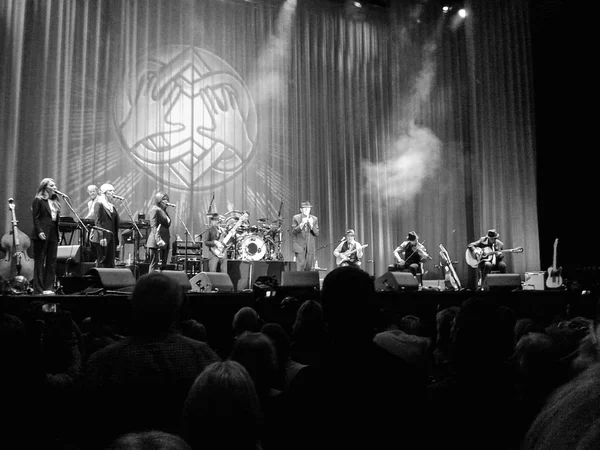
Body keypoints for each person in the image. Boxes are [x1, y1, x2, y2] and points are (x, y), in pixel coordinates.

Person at [31, 177, 61, 294]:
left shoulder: (55, 200)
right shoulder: (38, 200)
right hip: (41, 233)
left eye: (55, 185)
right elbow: (35, 218)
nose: (55, 187)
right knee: (40, 261)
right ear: (46, 187)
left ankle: (49, 288)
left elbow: (55, 219)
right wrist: (39, 231)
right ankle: (38, 289)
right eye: (52, 186)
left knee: (51, 261)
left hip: (53, 232)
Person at [91, 183, 120, 268]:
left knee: (110, 261)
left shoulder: (112, 206)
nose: (113, 193)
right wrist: (101, 237)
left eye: (113, 191)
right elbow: (98, 222)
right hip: (103, 237)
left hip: (111, 237)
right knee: (102, 260)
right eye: (110, 191)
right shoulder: (99, 204)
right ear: (104, 193)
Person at [146, 191, 171, 272]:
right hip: (156, 242)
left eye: (167, 199)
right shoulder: (155, 210)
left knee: (162, 266)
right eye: (163, 199)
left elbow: (166, 225)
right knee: (154, 265)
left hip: (165, 241)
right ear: (158, 200)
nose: (166, 201)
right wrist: (158, 240)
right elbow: (153, 226)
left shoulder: (164, 212)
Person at [291, 201, 319, 271]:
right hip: (299, 246)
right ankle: (298, 281)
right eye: (304, 208)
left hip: (310, 247)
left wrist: (312, 225)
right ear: (301, 209)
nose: (307, 210)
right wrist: (302, 224)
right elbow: (293, 232)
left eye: (308, 208)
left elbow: (317, 233)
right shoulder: (296, 218)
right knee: (300, 267)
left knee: (308, 267)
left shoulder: (314, 219)